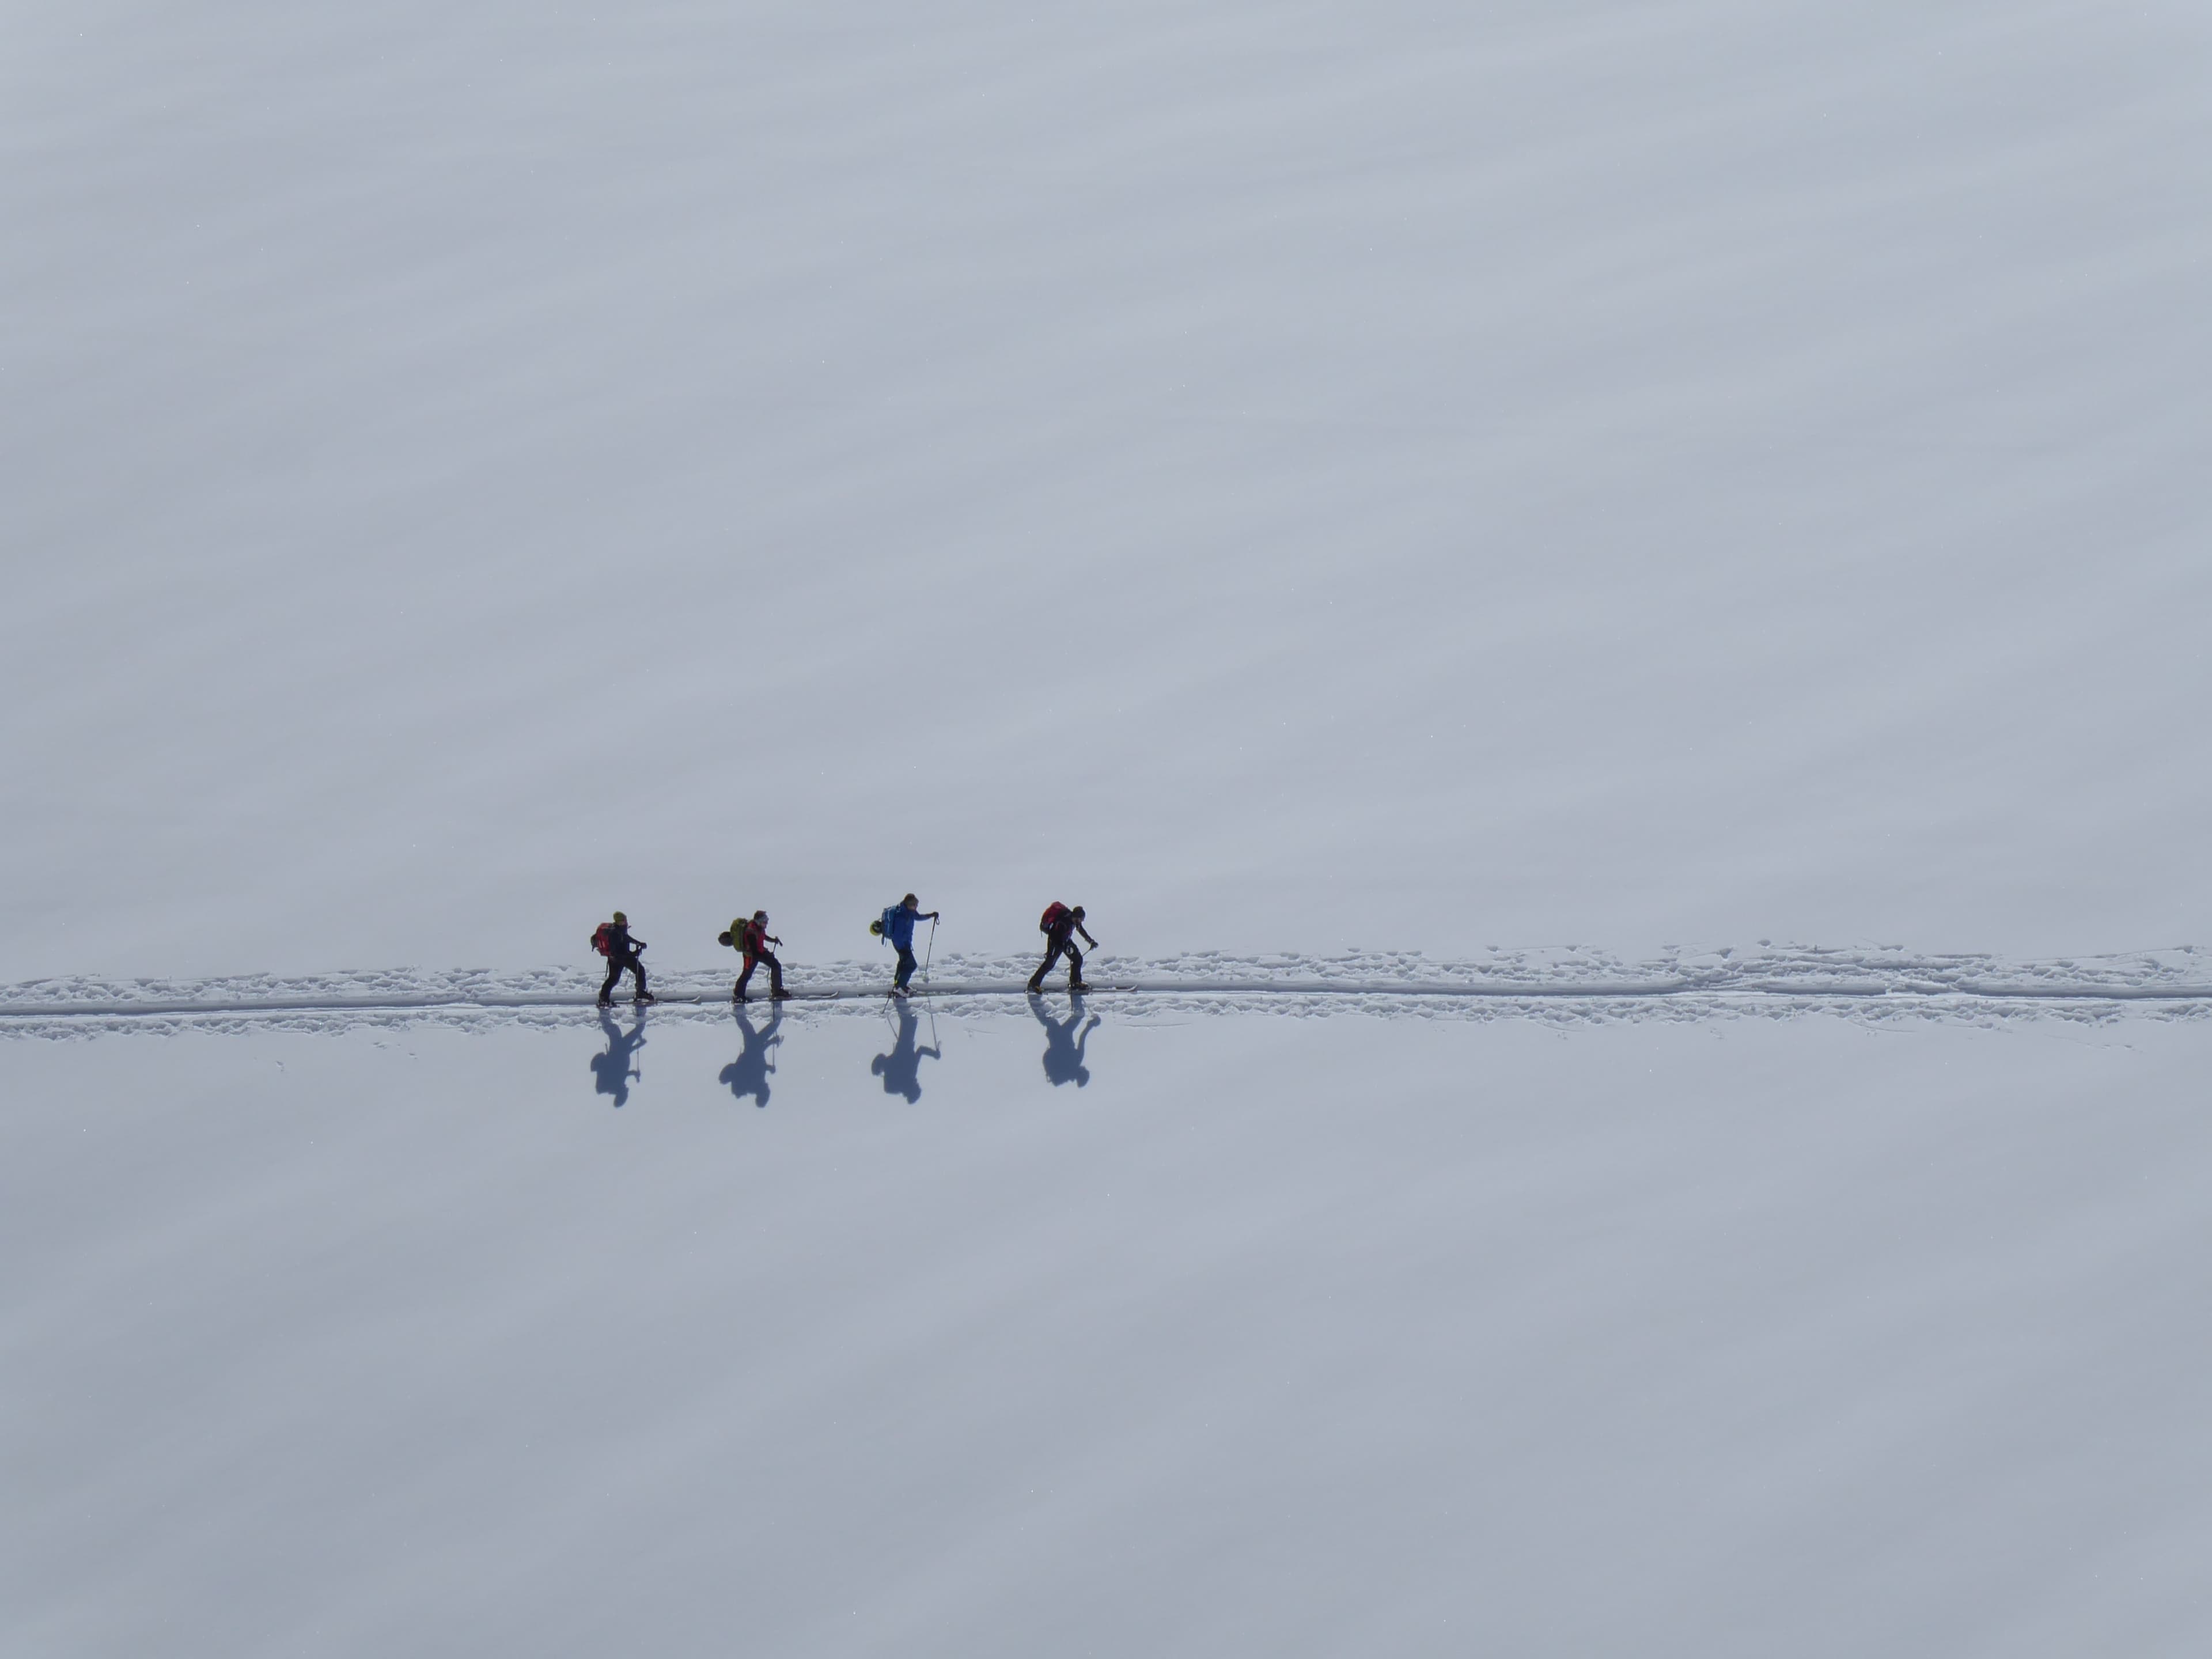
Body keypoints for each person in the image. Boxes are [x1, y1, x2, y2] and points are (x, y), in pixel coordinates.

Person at [1027, 902, 1097, 993]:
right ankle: (1033, 984)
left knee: (1077, 959)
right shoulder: (1063, 922)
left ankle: (1075, 983)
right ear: (1077, 917)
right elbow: (1055, 936)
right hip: (1056, 942)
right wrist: (1052, 951)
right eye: (1081, 919)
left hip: (1065, 941)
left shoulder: (1074, 920)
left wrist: (1090, 941)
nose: (1081, 922)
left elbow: (1080, 929)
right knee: (1049, 964)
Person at [882, 893, 940, 995]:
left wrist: (931, 916)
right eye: (915, 905)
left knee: (903, 964)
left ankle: (900, 985)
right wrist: (903, 947)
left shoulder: (910, 912)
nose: (916, 907)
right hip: (901, 945)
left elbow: (918, 917)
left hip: (905, 944)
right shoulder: (901, 916)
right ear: (909, 904)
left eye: (917, 905)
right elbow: (897, 935)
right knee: (911, 965)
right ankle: (900, 987)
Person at [593, 910, 651, 1006]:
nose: (625, 922)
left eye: (625, 920)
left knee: (637, 972)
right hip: (618, 959)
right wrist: (632, 955)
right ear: (618, 921)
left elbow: (626, 938)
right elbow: (615, 952)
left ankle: (604, 998)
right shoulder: (614, 934)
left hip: (620, 958)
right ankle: (640, 993)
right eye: (623, 921)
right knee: (617, 978)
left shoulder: (621, 929)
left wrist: (638, 943)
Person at [731, 910, 788, 1002]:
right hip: (751, 955)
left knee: (776, 966)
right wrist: (766, 957)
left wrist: (773, 941)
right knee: (747, 975)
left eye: (767, 921)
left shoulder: (759, 928)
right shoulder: (751, 932)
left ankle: (777, 991)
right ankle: (738, 996)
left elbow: (763, 936)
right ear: (759, 921)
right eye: (765, 921)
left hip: (759, 952)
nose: (767, 923)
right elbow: (755, 951)